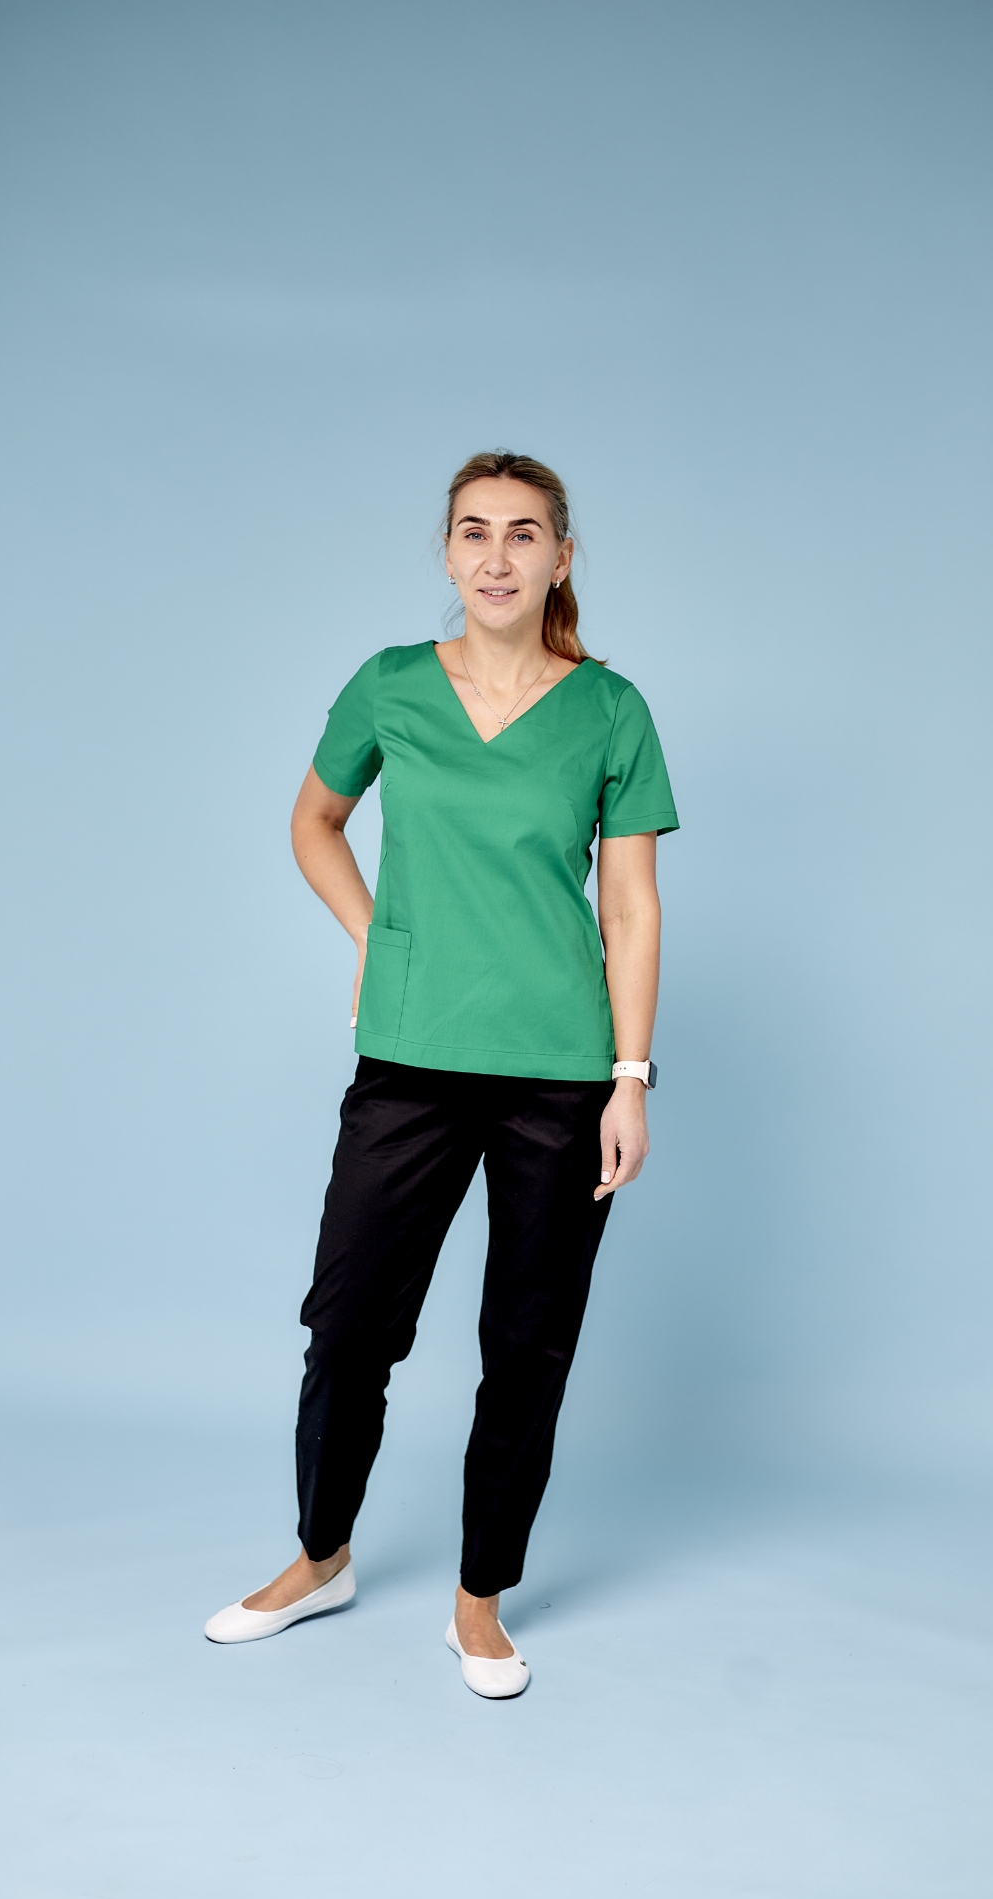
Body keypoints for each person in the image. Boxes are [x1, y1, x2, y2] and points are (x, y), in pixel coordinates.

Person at [204, 451, 679, 1696]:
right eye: (474, 531)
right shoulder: (391, 685)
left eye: (524, 534)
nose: (497, 556)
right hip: (410, 1058)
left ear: (561, 559)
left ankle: (480, 1600)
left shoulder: (610, 710)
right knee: (349, 1323)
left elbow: (631, 907)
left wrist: (630, 1077)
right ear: (449, 550)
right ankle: (321, 1556)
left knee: (529, 1344)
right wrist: (375, 935)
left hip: (560, 1073)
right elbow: (313, 822)